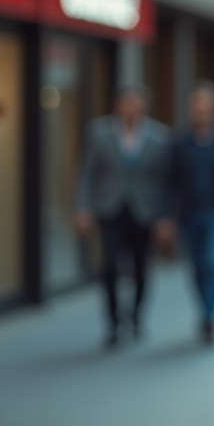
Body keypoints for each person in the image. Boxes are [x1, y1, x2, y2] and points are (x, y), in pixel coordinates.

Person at [75, 85, 172, 348]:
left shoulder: (160, 136)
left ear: (144, 106)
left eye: (135, 104)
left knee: (140, 269)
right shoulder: (99, 133)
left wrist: (165, 216)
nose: (130, 109)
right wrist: (83, 208)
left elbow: (166, 181)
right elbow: (87, 173)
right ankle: (113, 322)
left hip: (144, 211)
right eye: (125, 103)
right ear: (117, 106)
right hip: (110, 209)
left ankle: (137, 315)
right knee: (110, 265)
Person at [158, 82, 214, 345]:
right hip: (189, 215)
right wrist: (166, 217)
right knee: (196, 267)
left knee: (212, 262)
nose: (202, 110)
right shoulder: (179, 142)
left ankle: (210, 316)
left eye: (207, 105)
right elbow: (170, 182)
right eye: (198, 105)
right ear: (190, 109)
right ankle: (204, 310)